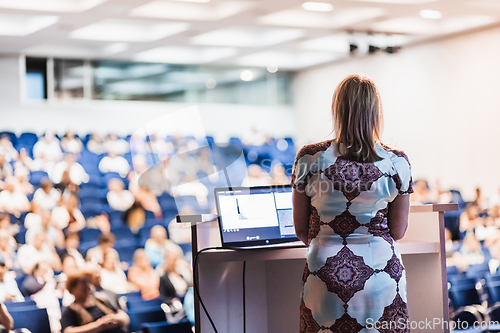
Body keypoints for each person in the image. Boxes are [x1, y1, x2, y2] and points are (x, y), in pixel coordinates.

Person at [292, 74, 413, 332]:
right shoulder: (396, 162)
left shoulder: (309, 158)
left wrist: (329, 241)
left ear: (337, 110)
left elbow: (301, 229)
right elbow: (398, 231)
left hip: (325, 271)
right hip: (381, 273)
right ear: (375, 112)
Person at [60, 271, 130, 333]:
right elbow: (68, 331)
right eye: (83, 282)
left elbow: (124, 316)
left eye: (89, 282)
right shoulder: (70, 310)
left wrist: (113, 318)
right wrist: (98, 325)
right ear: (72, 287)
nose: (88, 285)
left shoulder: (101, 301)